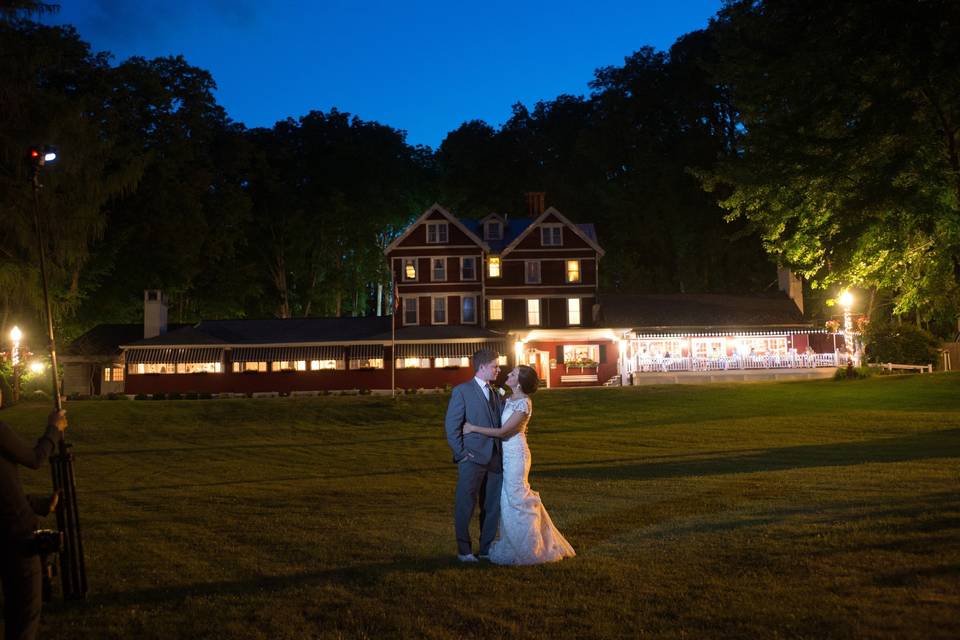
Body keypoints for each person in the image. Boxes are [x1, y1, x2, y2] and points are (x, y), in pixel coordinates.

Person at [463, 365, 575, 565]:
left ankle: (531, 548)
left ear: (520, 382)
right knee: (508, 499)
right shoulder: (508, 398)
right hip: (506, 455)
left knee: (517, 498)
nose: (508, 374)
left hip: (516, 456)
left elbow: (503, 432)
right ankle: (514, 542)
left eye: (513, 374)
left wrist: (473, 428)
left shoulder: (524, 403)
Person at [1, 409, 67, 640]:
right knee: (24, 618)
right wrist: (54, 429)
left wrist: (36, 504)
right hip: (17, 538)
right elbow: (35, 458)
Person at [444, 349, 502, 562]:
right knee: (465, 504)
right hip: (472, 458)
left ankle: (485, 550)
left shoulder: (496, 393)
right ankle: (464, 551)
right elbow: (452, 426)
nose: (499, 369)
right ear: (483, 367)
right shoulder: (462, 391)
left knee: (492, 506)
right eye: (495, 366)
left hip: (495, 459)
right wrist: (461, 454)